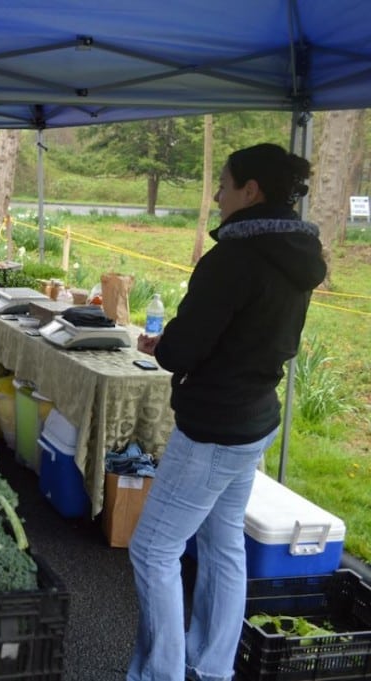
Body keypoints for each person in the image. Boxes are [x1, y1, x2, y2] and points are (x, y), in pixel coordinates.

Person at [128, 143, 326, 681]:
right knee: (223, 543)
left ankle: (161, 673)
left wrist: (164, 346)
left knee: (152, 550)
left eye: (223, 183)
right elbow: (248, 335)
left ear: (251, 191)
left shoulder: (234, 258)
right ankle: (212, 667)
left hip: (215, 426)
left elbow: (183, 349)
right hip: (255, 418)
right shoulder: (297, 254)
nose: (216, 194)